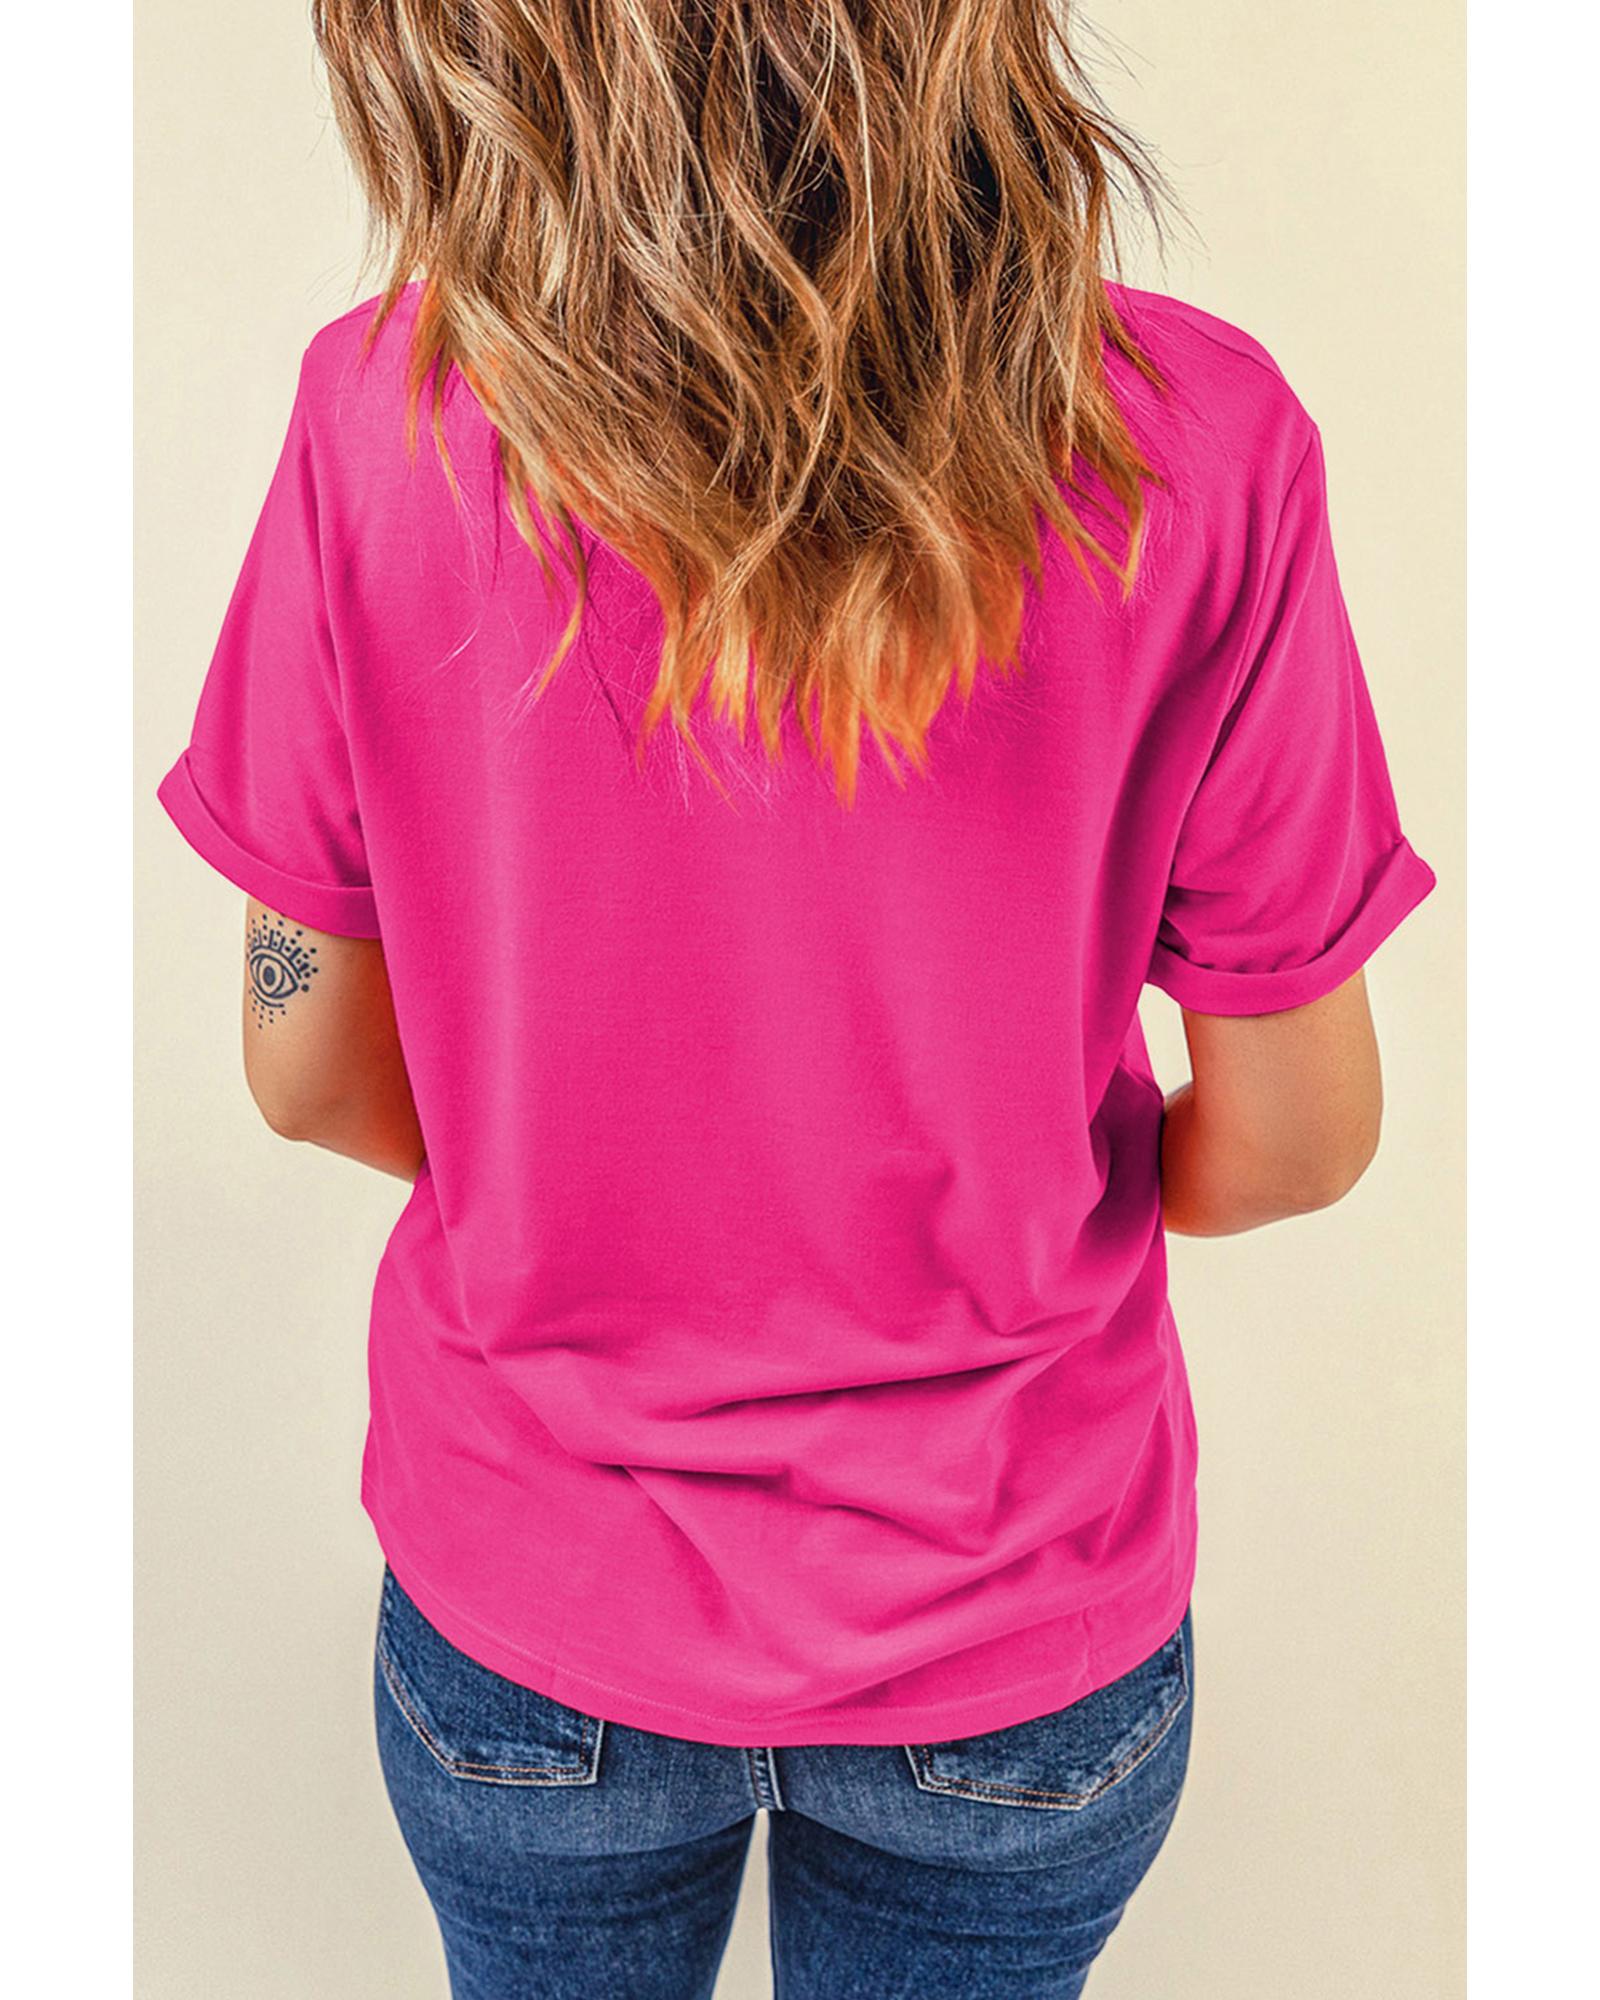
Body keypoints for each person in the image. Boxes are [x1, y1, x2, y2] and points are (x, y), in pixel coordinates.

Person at [154, 3, 1437, 1993]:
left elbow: (301, 1055)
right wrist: (1008, 1208)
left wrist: (571, 1184)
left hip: (535, 1600)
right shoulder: (1199, 439)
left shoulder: (380, 411)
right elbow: (1297, 1139)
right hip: (1014, 1612)